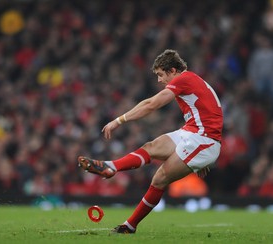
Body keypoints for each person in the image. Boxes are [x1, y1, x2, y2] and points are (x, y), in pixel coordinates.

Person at [78, 49, 223, 234]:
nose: (159, 80)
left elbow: (151, 104)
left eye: (161, 75)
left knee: (159, 178)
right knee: (151, 147)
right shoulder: (191, 80)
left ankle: (129, 226)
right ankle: (111, 167)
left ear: (172, 71)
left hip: (204, 139)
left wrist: (118, 120)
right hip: (194, 133)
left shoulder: (183, 79)